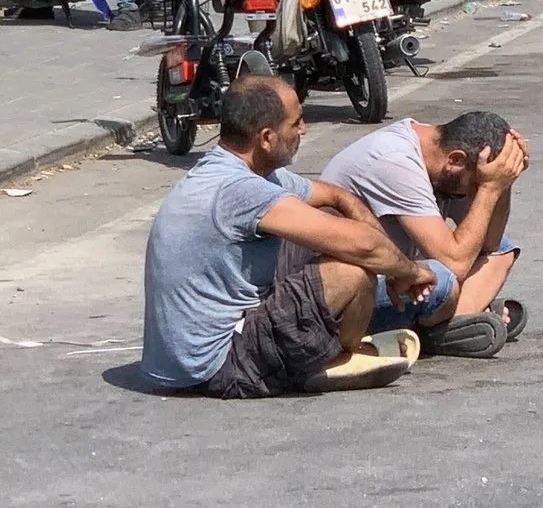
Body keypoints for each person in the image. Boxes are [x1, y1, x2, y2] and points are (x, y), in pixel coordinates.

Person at [140, 75, 438, 399]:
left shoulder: (240, 170)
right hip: (217, 366)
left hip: (186, 358)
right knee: (354, 269)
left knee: (339, 227)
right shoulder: (240, 190)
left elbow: (336, 196)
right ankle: (339, 351)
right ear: (266, 138)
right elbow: (364, 246)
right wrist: (410, 271)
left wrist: (382, 252)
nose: (303, 130)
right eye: (295, 123)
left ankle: (328, 337)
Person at [312, 111, 530, 359]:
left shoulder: (444, 162)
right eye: (475, 186)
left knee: (502, 249)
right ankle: (445, 325)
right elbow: (455, 264)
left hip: (404, 276)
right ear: (456, 160)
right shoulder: (395, 161)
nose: (473, 195)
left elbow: (489, 244)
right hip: (348, 295)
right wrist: (490, 189)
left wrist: (504, 184)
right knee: (444, 279)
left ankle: (448, 325)